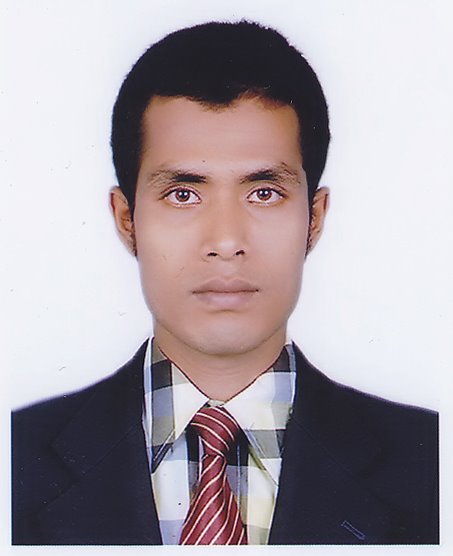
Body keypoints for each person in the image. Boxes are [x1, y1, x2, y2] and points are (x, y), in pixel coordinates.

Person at [11, 20, 439, 545]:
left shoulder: (431, 464)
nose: (226, 240)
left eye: (264, 193)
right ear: (127, 219)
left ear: (314, 218)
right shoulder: (16, 458)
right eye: (183, 194)